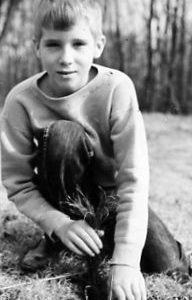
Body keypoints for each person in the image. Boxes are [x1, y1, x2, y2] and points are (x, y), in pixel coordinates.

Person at [0, 0, 190, 299]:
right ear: (36, 46)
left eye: (78, 43)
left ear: (98, 45)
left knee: (170, 267)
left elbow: (133, 177)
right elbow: (18, 182)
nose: (66, 58)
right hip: (62, 200)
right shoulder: (19, 101)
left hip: (111, 198)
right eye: (53, 45)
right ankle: (57, 237)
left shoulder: (117, 88)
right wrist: (59, 224)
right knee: (64, 134)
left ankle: (104, 238)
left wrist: (126, 259)